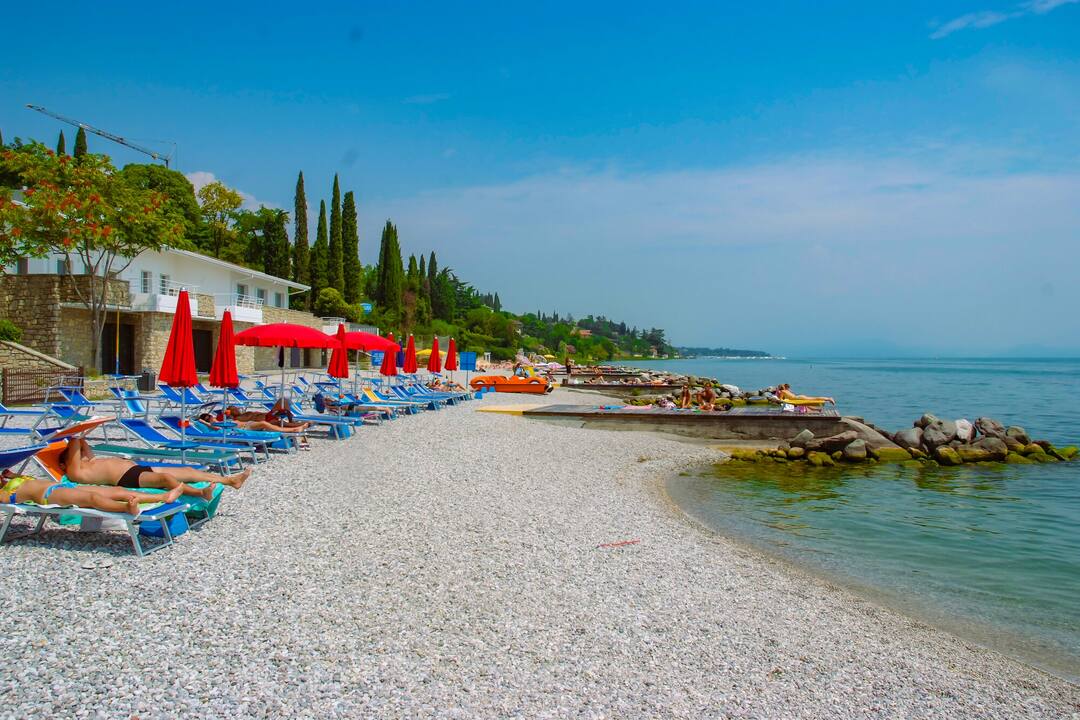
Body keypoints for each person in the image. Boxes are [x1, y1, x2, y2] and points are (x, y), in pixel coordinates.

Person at [59, 437, 247, 499]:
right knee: (166, 478)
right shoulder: (76, 473)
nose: (83, 455)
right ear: (65, 463)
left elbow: (82, 445)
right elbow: (76, 444)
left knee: (189, 472)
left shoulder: (88, 461)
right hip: (125, 478)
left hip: (136, 468)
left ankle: (231, 480)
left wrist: (80, 439)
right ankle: (200, 494)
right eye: (76, 455)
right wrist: (74, 440)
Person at [2, 468, 182, 516]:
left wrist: (12, 475)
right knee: (92, 498)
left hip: (62, 487)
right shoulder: (4, 493)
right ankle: (126, 509)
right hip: (50, 496)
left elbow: (27, 479)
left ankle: (162, 496)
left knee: (116, 491)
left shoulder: (12, 481)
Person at [203, 411, 309, 434]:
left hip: (248, 423)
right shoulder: (215, 425)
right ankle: (294, 429)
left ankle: (297, 425)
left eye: (210, 416)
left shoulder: (221, 419)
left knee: (272, 423)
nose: (211, 418)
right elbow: (217, 429)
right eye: (209, 418)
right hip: (244, 428)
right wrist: (202, 422)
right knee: (265, 423)